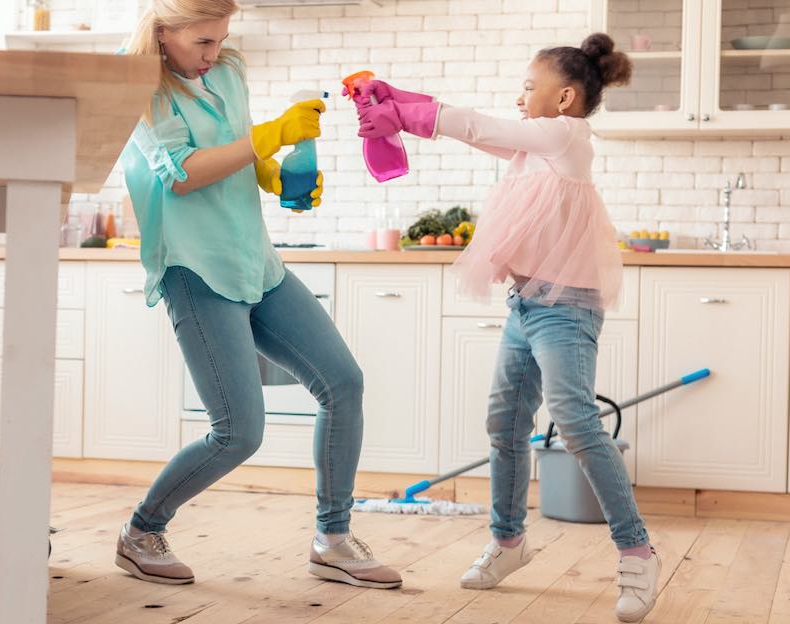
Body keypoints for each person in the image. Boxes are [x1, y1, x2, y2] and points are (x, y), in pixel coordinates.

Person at [355, 33, 659, 622]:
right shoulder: (536, 149)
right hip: (527, 305)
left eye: (528, 87)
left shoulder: (564, 137)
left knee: (574, 421)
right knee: (505, 424)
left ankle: (637, 551)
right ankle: (509, 541)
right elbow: (478, 130)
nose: (519, 97)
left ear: (565, 97)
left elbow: (475, 125)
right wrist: (394, 99)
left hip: (566, 308)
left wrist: (408, 113)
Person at [113, 0, 401, 591]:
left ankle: (334, 539)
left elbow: (237, 152)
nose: (213, 53)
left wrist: (277, 175)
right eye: (201, 42)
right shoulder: (135, 82)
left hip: (256, 261)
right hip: (195, 268)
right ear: (162, 31)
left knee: (342, 383)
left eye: (220, 39)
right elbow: (183, 172)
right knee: (239, 433)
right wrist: (274, 136)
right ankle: (142, 530)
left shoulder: (229, 70)